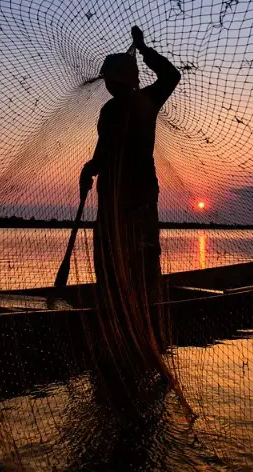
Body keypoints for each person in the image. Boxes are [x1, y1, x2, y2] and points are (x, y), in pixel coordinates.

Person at [79, 26, 180, 354]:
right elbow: (104, 150)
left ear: (116, 80)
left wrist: (143, 48)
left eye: (109, 78)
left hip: (135, 198)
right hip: (113, 196)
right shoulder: (111, 110)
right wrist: (89, 169)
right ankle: (116, 314)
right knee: (111, 258)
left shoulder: (145, 101)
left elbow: (171, 75)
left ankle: (143, 321)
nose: (106, 83)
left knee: (140, 256)